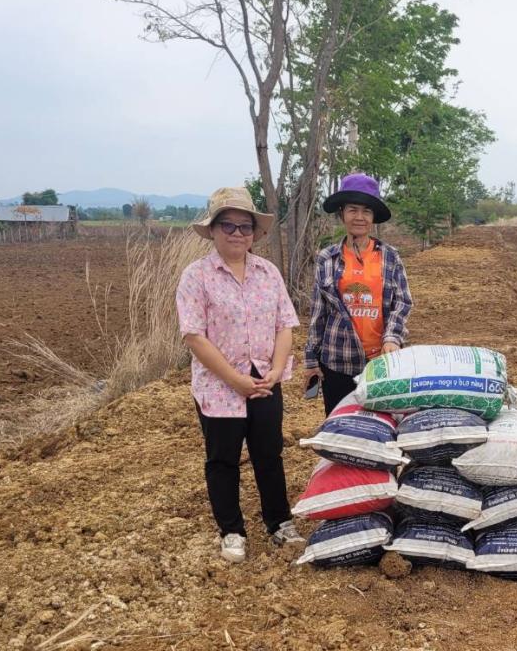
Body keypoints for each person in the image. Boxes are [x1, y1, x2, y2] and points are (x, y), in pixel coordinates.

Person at [176, 187, 304, 562]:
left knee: (269, 454)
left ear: (254, 233)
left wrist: (277, 371)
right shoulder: (196, 276)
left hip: (265, 380)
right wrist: (234, 379)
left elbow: (285, 326)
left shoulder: (268, 273)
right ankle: (232, 530)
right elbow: (194, 336)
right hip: (219, 387)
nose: (237, 233)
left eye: (244, 226)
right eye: (228, 225)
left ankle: (279, 523)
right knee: (223, 459)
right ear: (213, 230)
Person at [303, 173, 413, 415]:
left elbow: (403, 302)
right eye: (353, 209)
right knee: (341, 425)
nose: (359, 217)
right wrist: (311, 359)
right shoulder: (327, 258)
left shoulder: (389, 256)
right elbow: (318, 313)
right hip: (337, 361)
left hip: (380, 362)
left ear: (373, 217)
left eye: (366, 211)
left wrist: (392, 338)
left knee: (382, 425)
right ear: (342, 213)